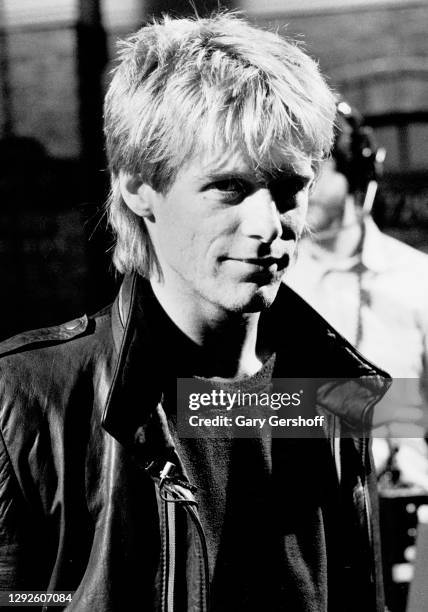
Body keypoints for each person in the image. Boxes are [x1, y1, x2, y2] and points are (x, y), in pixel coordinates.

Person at [0, 14, 390, 612]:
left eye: (289, 187)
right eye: (228, 188)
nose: (269, 227)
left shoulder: (336, 387)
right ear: (138, 188)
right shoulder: (26, 398)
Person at [287, 101, 428, 490]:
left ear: (355, 170)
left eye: (312, 172)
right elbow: (205, 409)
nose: (297, 191)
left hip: (406, 517)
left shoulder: (419, 280)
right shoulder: (268, 285)